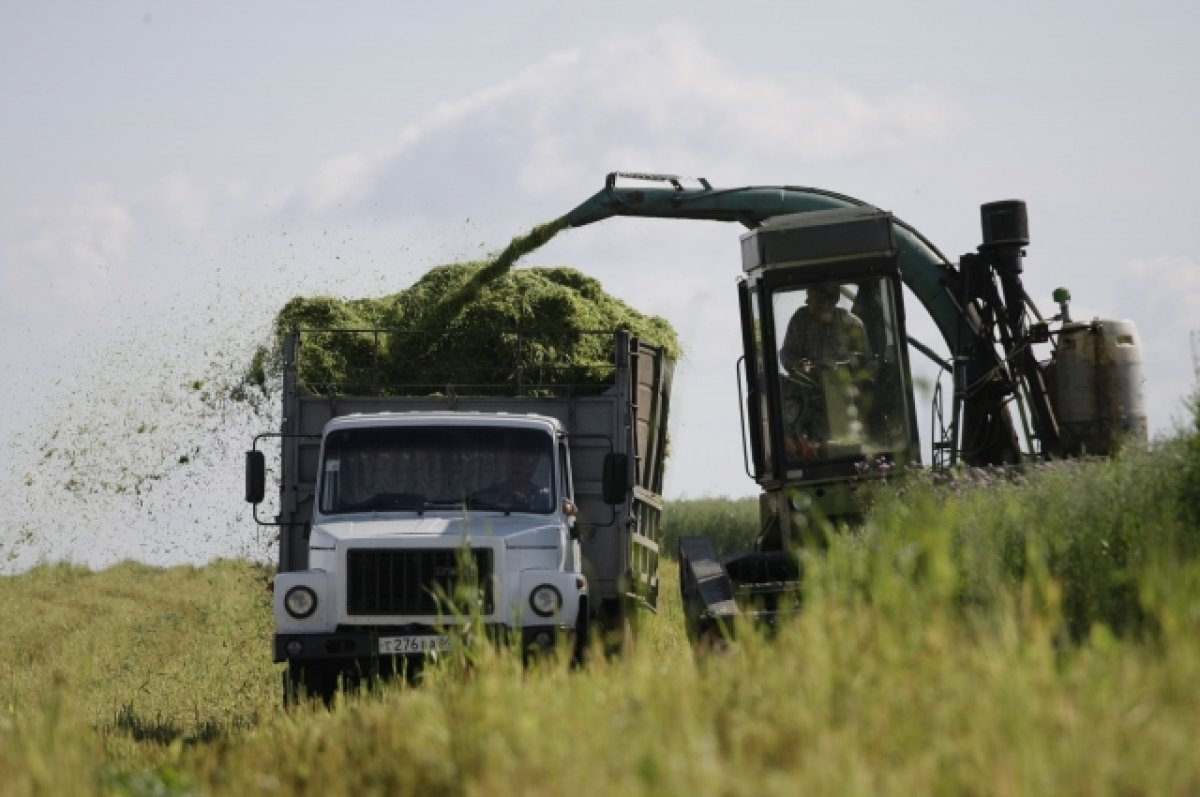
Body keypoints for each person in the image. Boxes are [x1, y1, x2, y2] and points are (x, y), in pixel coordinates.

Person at [778, 283, 870, 459]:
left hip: (843, 394)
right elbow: (787, 352)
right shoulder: (801, 319)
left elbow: (864, 360)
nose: (807, 301)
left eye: (811, 297)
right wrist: (798, 363)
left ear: (828, 301)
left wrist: (845, 367)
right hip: (805, 391)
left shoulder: (852, 324)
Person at [472, 450, 551, 511]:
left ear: (530, 467)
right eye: (511, 462)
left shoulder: (541, 497)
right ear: (505, 465)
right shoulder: (493, 492)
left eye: (520, 463)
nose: (516, 467)